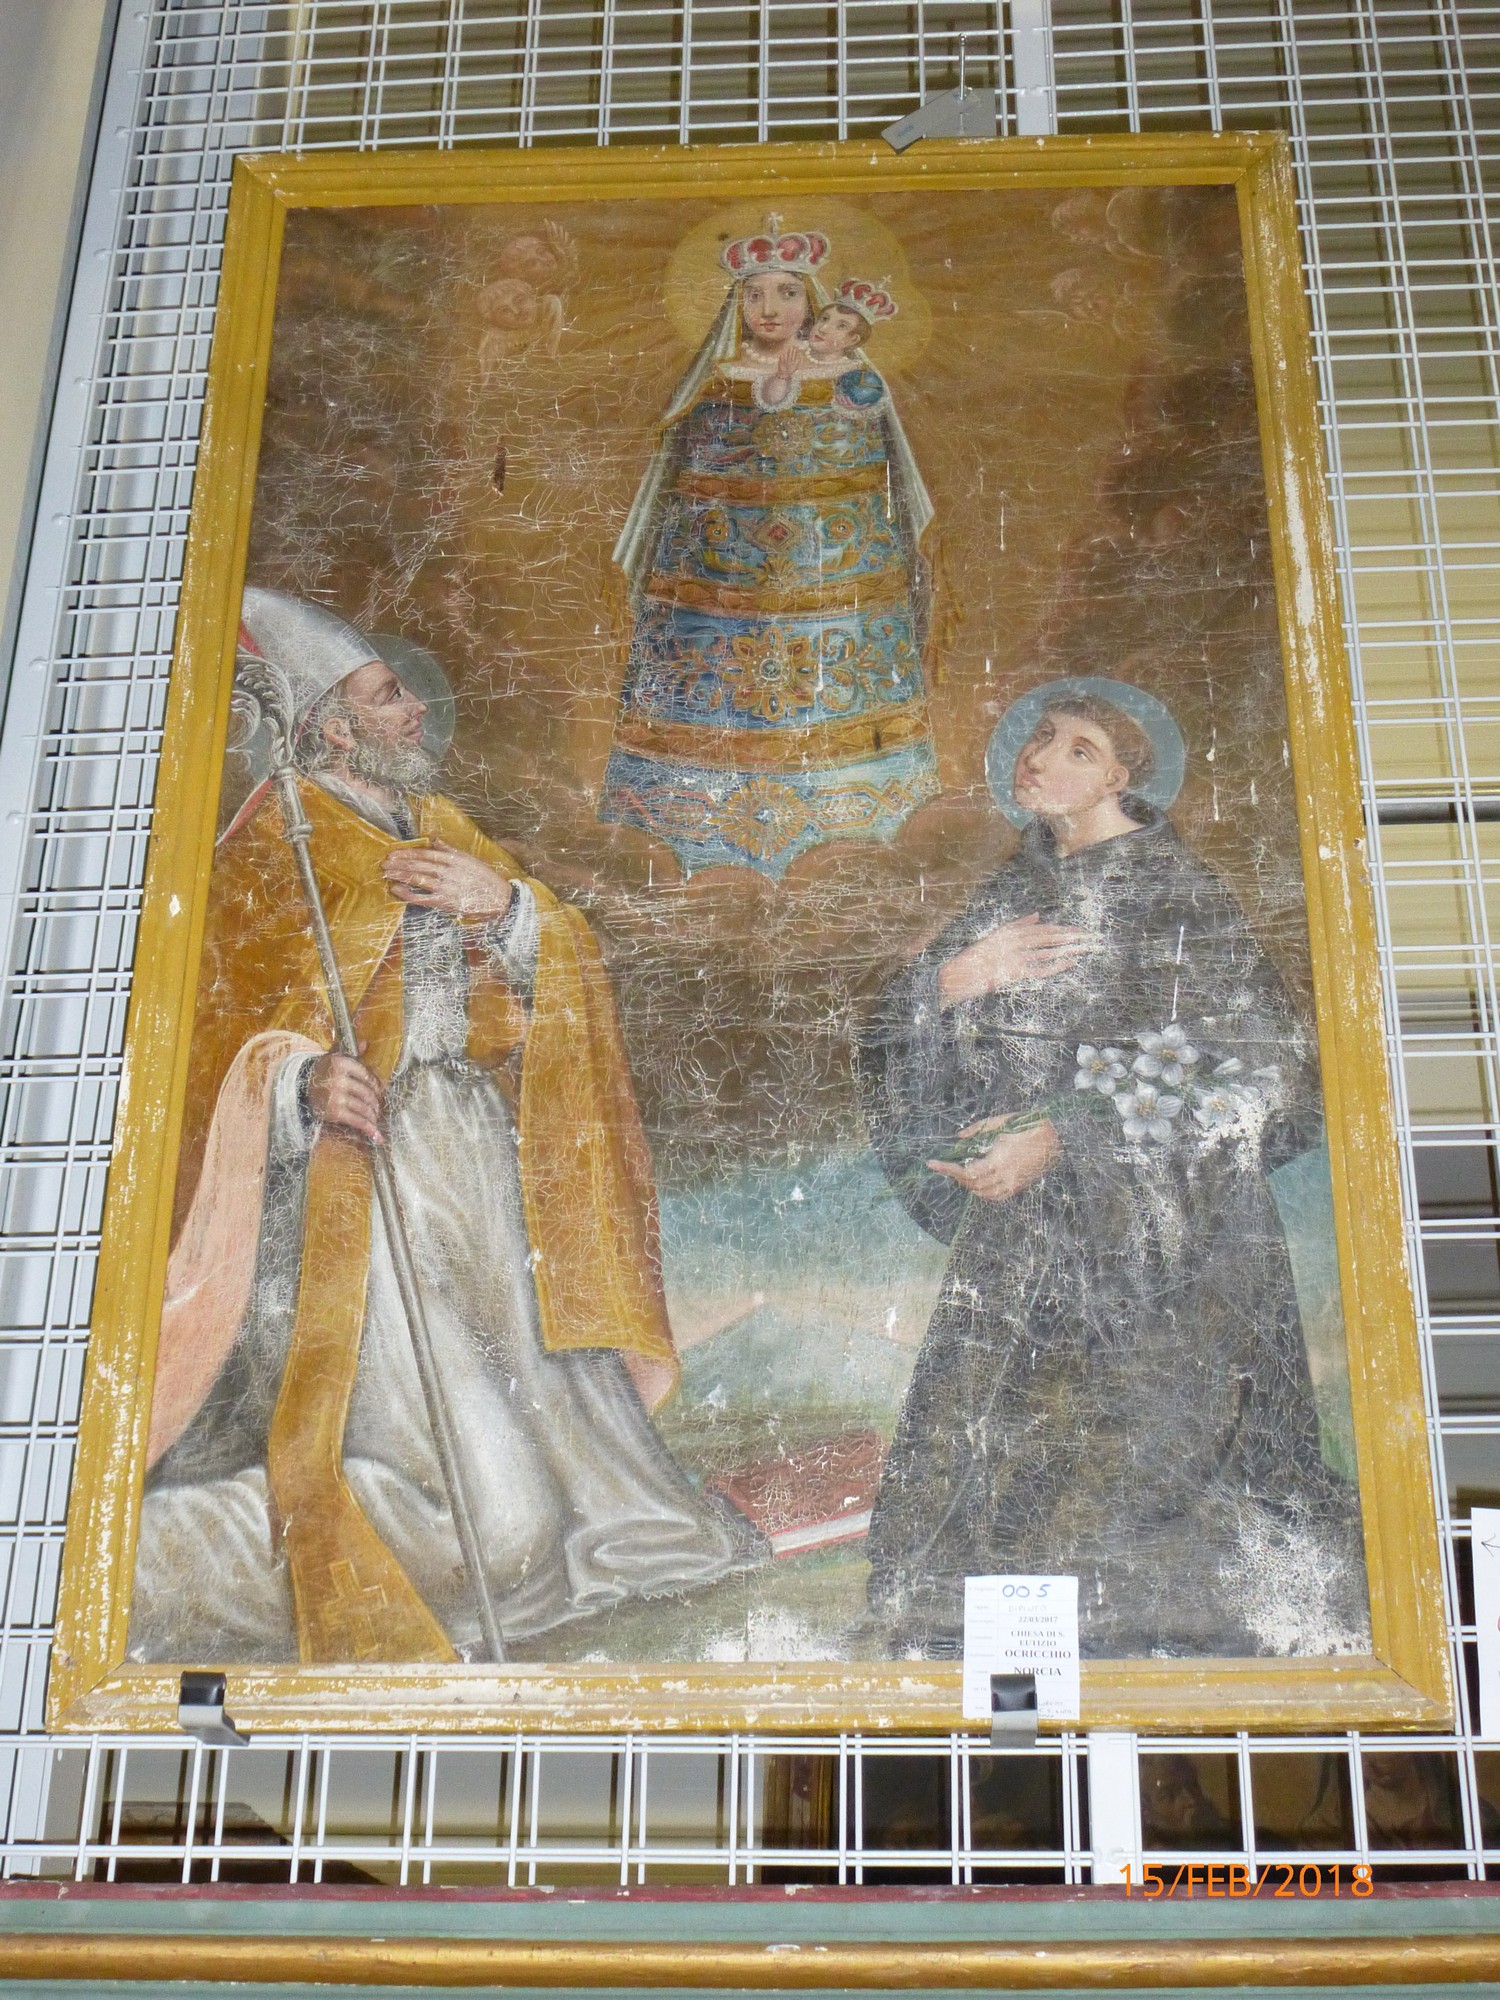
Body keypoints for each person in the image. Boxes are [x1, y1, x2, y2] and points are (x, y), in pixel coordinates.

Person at [129, 587, 760, 1666]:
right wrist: (300, 1082)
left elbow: (555, 958)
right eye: (387, 694)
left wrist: (503, 907)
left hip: (471, 1156)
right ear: (333, 728)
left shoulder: (436, 826)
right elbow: (196, 1037)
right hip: (355, 1192)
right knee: (500, 1529)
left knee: (606, 1500)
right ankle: (149, 1554)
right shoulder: (277, 842)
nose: (415, 707)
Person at [856, 677, 1370, 1660]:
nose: (1042, 755)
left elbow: (1268, 1075)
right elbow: (915, 1045)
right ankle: (1002, 1718)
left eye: (1079, 748)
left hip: (1171, 1251)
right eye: (1043, 735)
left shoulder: (1177, 894)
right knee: (976, 1479)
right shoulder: (1012, 889)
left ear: (1120, 778)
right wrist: (958, 981)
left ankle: (1146, 1707)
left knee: (1136, 1500)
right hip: (1023, 1240)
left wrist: (1067, 1134)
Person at [598, 226, 939, 878]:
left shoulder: (850, 377)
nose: (770, 308)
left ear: (812, 305)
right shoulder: (717, 381)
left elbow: (876, 468)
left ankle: (852, 841)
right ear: (737, 305)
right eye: (755, 295)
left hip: (833, 578)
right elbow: (687, 482)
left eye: (787, 293)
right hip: (717, 588)